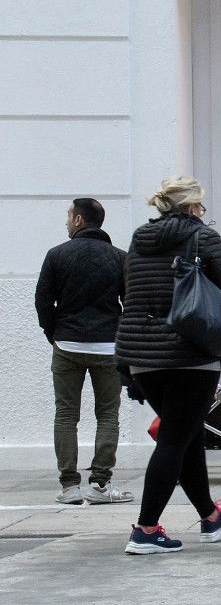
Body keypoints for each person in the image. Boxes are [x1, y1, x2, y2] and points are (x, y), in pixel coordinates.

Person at [117, 177, 221, 554]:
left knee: (184, 437)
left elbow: (131, 294)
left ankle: (209, 514)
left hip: (142, 357)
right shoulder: (202, 237)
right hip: (190, 355)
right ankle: (146, 529)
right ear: (191, 207)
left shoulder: (139, 241)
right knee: (174, 439)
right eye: (201, 207)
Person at [35, 197, 133, 505]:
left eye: (68, 216)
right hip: (108, 345)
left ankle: (69, 487)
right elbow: (130, 302)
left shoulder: (56, 255)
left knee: (66, 413)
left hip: (67, 343)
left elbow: (42, 301)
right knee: (107, 413)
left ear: (79, 220)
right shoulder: (120, 258)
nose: (66, 221)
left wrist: (54, 333)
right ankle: (100, 484)